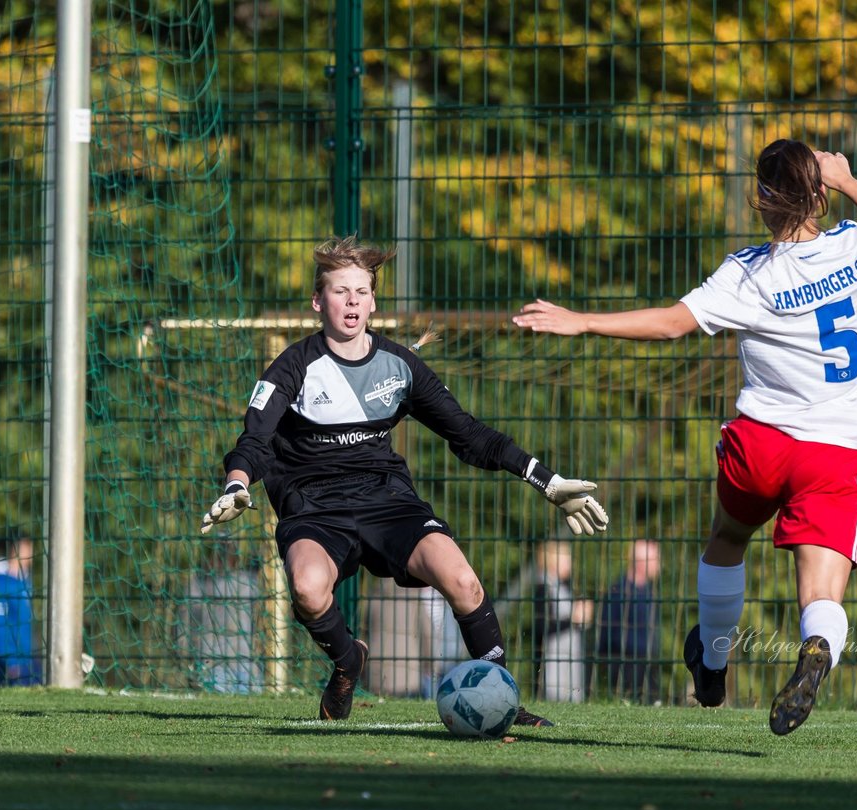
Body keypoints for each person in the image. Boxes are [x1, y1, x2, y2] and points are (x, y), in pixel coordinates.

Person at [514, 140, 857, 734]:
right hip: (834, 453)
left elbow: (673, 323)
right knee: (821, 593)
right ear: (821, 192)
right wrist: (851, 183)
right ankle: (815, 652)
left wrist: (583, 321)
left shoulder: (750, 273)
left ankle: (713, 658)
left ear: (760, 200)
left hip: (761, 445)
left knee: (728, 538)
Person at [200, 235, 610, 726]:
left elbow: (469, 434)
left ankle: (503, 701)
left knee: (462, 581)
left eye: (361, 292)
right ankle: (349, 659)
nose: (351, 302)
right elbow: (254, 440)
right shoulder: (292, 367)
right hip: (314, 507)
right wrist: (237, 484)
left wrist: (546, 480)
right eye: (339, 291)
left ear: (373, 301)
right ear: (317, 301)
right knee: (309, 591)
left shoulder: (399, 365)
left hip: (387, 500)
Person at [186, 533, 264, 694]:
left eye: (227, 550)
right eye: (218, 551)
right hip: (212, 668)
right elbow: (188, 625)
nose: (223, 556)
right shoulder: (199, 584)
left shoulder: (246, 581)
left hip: (244, 667)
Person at [597, 539, 662, 703]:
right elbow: (607, 633)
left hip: (648, 664)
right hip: (625, 664)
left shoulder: (648, 591)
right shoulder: (619, 591)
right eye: (656, 560)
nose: (659, 565)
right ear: (642, 562)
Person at [528, 539, 592, 703]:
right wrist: (573, 618)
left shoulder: (562, 587)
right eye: (566, 558)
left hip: (568, 654)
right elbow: (543, 627)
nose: (570, 562)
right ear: (552, 560)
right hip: (551, 659)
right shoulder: (543, 588)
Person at [0, 530, 43, 686]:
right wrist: (10, 661)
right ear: (14, 550)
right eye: (26, 548)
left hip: (28, 659)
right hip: (11, 664)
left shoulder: (24, 580)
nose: (30, 553)